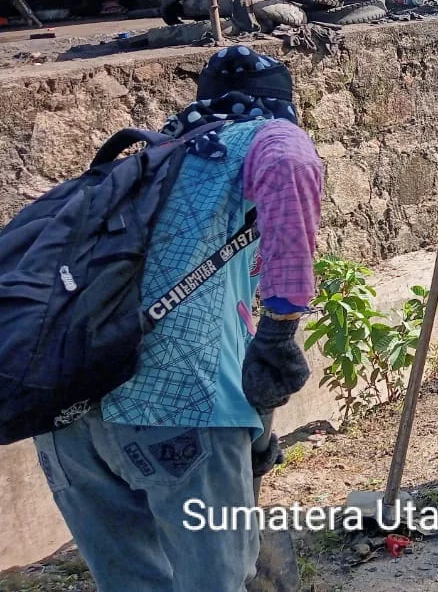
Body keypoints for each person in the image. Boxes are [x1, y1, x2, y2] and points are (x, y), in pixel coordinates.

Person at [32, 46, 324, 592]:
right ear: (280, 105)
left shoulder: (152, 156)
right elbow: (291, 164)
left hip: (63, 410)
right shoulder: (268, 138)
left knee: (133, 582)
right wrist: (281, 330)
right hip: (176, 405)